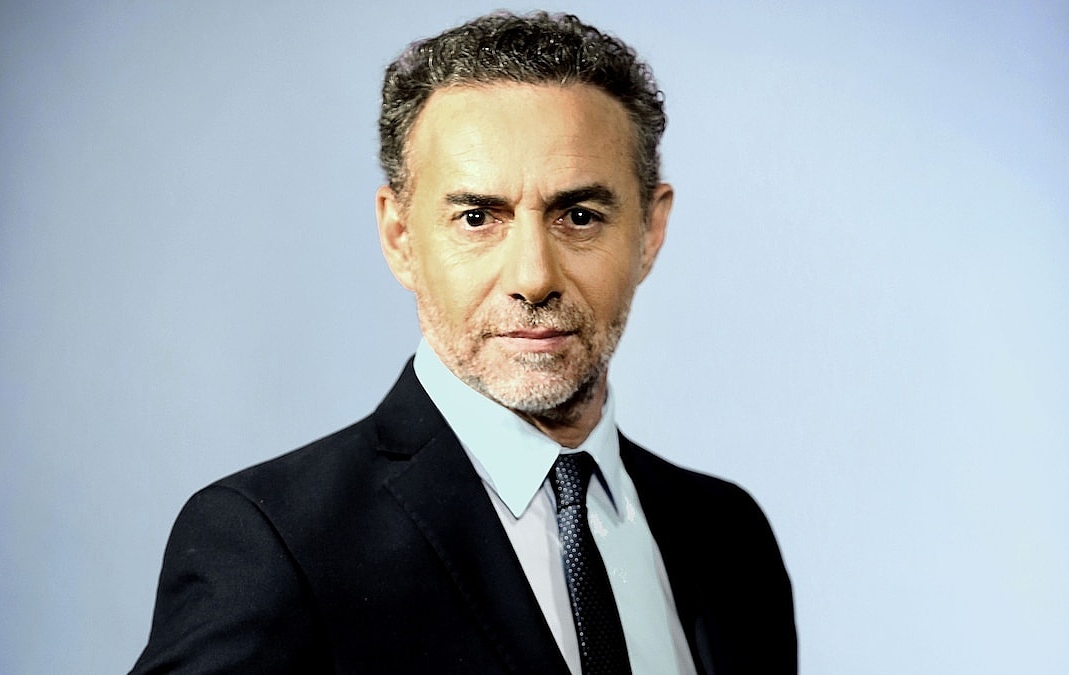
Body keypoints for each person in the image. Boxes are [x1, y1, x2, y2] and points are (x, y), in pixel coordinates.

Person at [131, 11, 796, 675]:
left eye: (579, 216)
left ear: (649, 232)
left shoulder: (730, 539)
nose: (533, 277)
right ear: (399, 238)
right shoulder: (275, 546)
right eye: (477, 218)